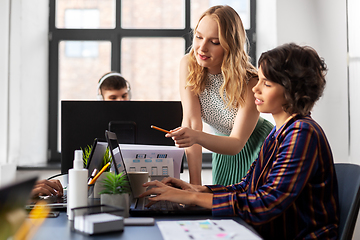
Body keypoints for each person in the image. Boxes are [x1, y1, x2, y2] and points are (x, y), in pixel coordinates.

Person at [141, 43, 339, 239]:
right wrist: (198, 189)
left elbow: (265, 204)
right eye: (259, 80)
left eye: (267, 83)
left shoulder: (302, 133)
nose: (256, 88)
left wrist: (191, 198)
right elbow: (247, 187)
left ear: (293, 91)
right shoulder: (280, 133)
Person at [169, 5, 273, 186]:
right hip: (220, 149)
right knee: (218, 208)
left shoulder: (250, 81)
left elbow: (236, 143)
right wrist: (195, 185)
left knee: (249, 207)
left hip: (257, 147)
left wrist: (195, 136)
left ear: (230, 45)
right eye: (198, 37)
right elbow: (192, 124)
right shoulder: (189, 64)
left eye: (214, 42)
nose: (202, 48)